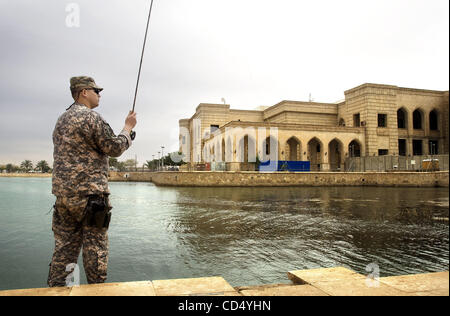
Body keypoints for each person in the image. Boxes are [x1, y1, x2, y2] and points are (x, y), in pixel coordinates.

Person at [47, 76, 137, 287]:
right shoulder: (91, 118)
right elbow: (114, 148)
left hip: (63, 198)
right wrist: (127, 128)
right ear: (84, 92)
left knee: (64, 249)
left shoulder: (61, 120)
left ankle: (55, 290)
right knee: (95, 250)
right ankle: (97, 292)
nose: (99, 94)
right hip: (91, 198)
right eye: (96, 90)